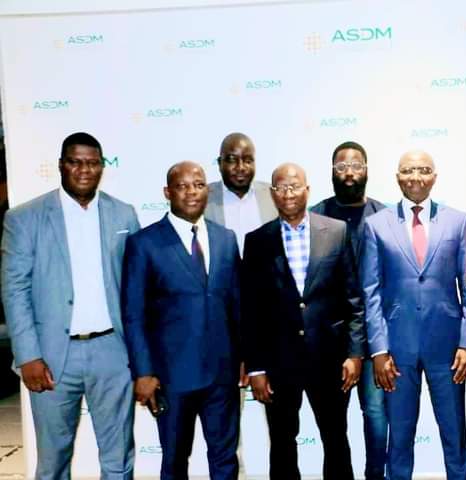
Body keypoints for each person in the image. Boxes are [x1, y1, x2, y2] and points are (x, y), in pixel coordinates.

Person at [1, 132, 139, 479]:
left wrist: (140, 354)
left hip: (113, 352)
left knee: (118, 458)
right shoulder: (25, 218)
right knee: (53, 462)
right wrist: (28, 355)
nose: (84, 170)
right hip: (49, 356)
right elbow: (14, 290)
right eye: (75, 162)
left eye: (92, 163)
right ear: (61, 165)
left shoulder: (123, 215)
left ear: (102, 167)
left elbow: (137, 290)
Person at [361, 150, 466, 480]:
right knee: (399, 438)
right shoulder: (376, 225)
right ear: (397, 177)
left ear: (435, 176)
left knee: (455, 434)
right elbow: (371, 291)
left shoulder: (457, 221)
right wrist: (379, 350)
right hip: (396, 351)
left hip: (448, 349)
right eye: (408, 170)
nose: (416, 177)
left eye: (424, 170)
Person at [243, 163, 365, 480]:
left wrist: (354, 354)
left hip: (330, 358)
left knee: (335, 438)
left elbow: (353, 299)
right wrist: (256, 368)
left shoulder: (336, 232)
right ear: (272, 194)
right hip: (279, 361)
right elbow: (251, 310)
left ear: (307, 190)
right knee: (282, 442)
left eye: (295, 186)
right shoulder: (257, 241)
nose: (288, 193)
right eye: (281, 187)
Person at [122, 162, 242, 480]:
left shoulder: (226, 239)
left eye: (199, 185)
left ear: (208, 190)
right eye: (182, 186)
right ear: (167, 192)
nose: (191, 192)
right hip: (171, 377)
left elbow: (236, 304)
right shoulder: (144, 244)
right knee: (175, 461)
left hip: (222, 374)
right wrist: (143, 372)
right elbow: (134, 314)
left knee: (226, 460)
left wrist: (245, 357)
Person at [310, 140, 387, 480]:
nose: (349, 172)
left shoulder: (383, 217)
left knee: (376, 416)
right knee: (333, 426)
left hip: (375, 338)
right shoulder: (315, 216)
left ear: (367, 170)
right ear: (332, 172)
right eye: (341, 166)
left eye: (356, 165)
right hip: (330, 341)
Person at [204, 132, 277, 479]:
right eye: (231, 159)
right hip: (221, 324)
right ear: (219, 163)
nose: (239, 167)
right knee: (226, 422)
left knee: (280, 419)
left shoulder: (272, 195)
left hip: (270, 323)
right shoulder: (203, 197)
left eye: (247, 159)